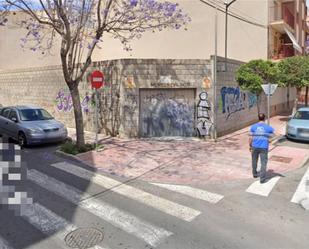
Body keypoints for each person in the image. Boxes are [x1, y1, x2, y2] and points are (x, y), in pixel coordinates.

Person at [249, 113, 274, 184]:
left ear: (258, 118)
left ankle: (254, 174)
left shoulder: (253, 127)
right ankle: (262, 179)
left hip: (254, 146)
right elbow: (273, 135)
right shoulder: (268, 127)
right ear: (264, 118)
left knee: (254, 160)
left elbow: (250, 138)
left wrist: (250, 146)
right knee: (263, 163)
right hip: (264, 147)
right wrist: (269, 139)